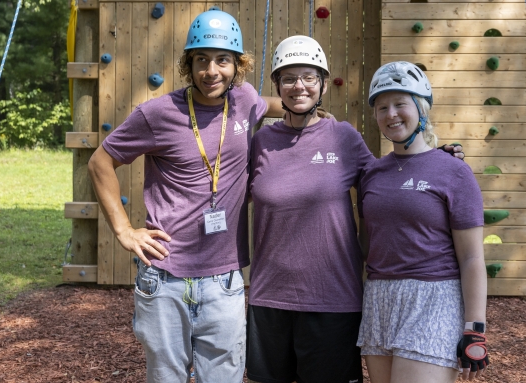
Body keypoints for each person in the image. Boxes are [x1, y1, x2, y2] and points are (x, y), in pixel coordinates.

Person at [245, 38, 464, 383]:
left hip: (333, 299)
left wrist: (432, 163)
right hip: (269, 297)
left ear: (321, 83)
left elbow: (387, 179)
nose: (298, 86)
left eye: (308, 77)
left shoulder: (343, 138)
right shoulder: (260, 143)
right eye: (288, 78)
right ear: (277, 85)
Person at [87, 10, 283, 383]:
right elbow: (100, 162)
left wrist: (301, 109)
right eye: (201, 60)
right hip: (164, 279)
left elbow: (267, 106)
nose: (212, 71)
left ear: (238, 65)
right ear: (188, 64)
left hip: (224, 279)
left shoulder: (244, 101)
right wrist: (125, 231)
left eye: (223, 60)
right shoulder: (157, 114)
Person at [356, 61, 489, 383]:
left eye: (401, 104)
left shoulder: (454, 171)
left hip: (433, 298)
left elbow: (472, 257)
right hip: (379, 299)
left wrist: (475, 328)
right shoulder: (372, 173)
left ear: (421, 108)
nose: (391, 114)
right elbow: (367, 243)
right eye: (382, 107)